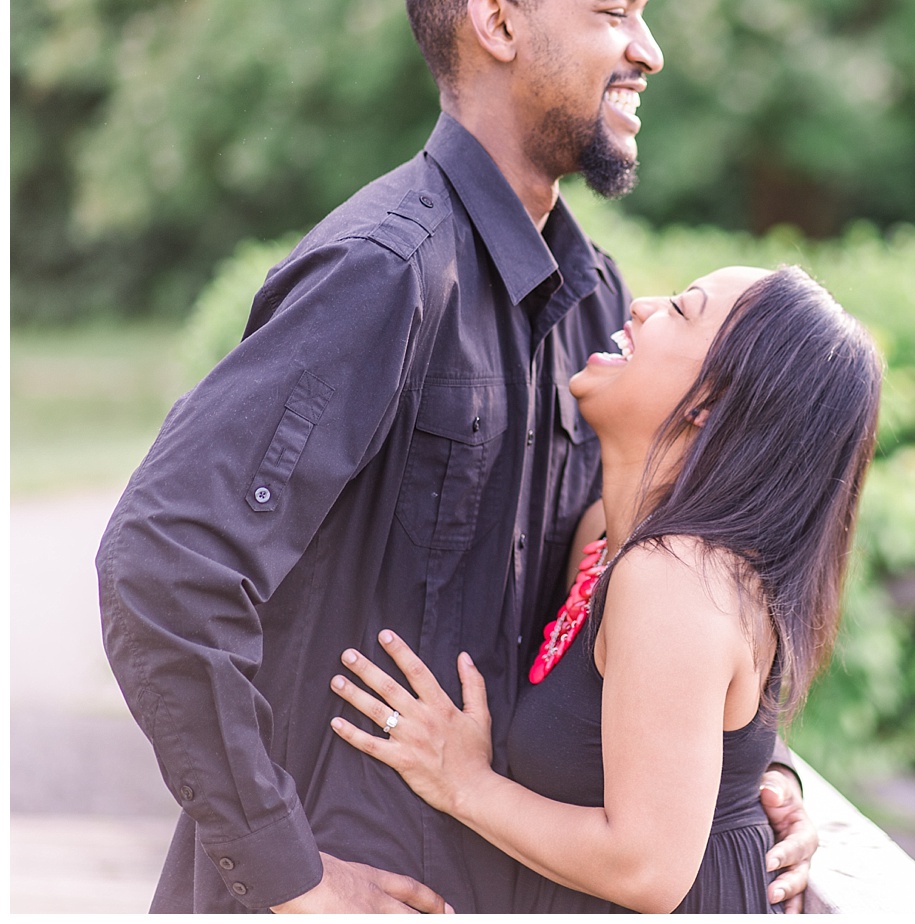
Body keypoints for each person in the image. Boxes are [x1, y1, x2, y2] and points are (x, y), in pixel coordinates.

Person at [95, 0, 816, 913]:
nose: (649, 51)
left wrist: (760, 773)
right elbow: (160, 565)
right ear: (497, 23)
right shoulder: (382, 270)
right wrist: (287, 877)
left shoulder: (595, 301)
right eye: (616, 13)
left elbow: (633, 588)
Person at [327, 264, 883, 912]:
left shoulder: (674, 578)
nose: (643, 306)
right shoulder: (610, 540)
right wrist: (773, 772)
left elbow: (646, 869)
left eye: (681, 310)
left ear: (711, 406)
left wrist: (463, 782)